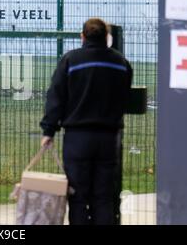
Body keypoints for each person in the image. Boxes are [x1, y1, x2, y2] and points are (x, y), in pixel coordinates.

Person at [40, 18, 133, 225]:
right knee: (104, 197)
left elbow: (56, 96)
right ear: (107, 37)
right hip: (109, 139)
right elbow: (124, 97)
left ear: (83, 36)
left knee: (78, 197)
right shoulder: (121, 63)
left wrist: (49, 130)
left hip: (77, 139)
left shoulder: (71, 61)